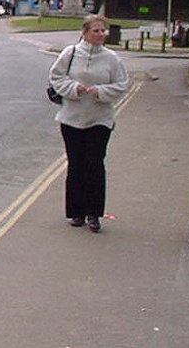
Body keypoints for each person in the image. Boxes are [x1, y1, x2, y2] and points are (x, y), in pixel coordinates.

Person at [48, 14, 131, 233]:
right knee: (76, 165)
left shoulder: (112, 58)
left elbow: (122, 84)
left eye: (103, 31)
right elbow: (56, 78)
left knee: (95, 164)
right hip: (71, 118)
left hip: (100, 119)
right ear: (85, 32)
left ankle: (94, 214)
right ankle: (76, 213)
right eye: (96, 31)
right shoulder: (70, 53)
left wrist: (101, 91)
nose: (100, 35)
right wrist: (73, 89)